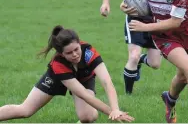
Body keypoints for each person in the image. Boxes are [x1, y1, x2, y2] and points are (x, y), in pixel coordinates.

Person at [0, 25, 134, 123]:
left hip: (83, 78)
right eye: (69, 53)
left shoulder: (88, 52)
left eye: (76, 49)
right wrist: (110, 112)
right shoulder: (58, 64)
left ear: (79, 43)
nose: (75, 54)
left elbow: (107, 82)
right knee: (25, 111)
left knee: (87, 117)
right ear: (61, 54)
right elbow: (84, 95)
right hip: (57, 78)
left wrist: (115, 109)